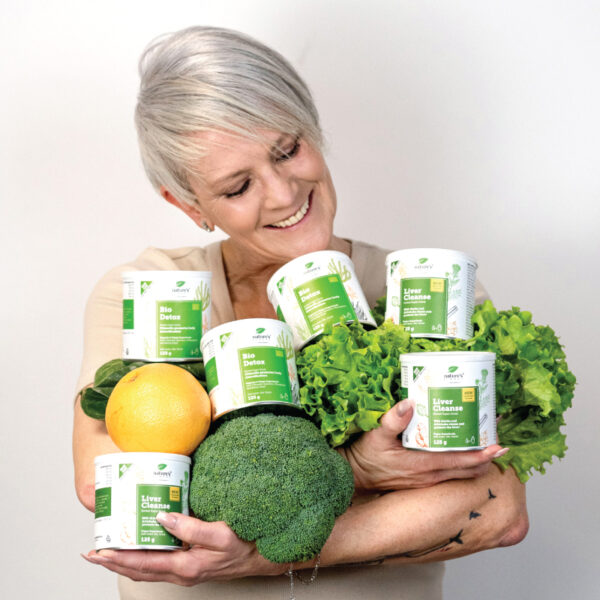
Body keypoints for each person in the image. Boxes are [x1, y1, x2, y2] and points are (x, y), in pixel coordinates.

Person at [74, 26, 528, 600]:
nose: (284, 194)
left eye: (287, 150)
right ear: (188, 205)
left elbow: (498, 510)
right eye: (238, 186)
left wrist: (267, 550)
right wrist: (358, 471)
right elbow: (111, 485)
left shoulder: (429, 290)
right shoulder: (150, 294)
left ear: (312, 127)